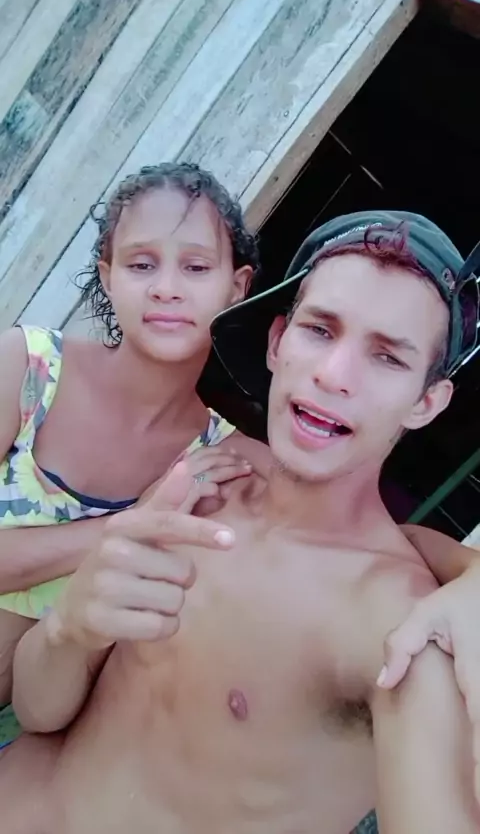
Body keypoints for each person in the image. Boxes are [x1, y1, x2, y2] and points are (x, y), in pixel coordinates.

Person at [2, 211, 480, 834]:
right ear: (278, 342)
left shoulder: (397, 623)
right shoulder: (198, 486)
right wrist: (71, 626)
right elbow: (39, 711)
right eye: (320, 330)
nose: (334, 375)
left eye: (387, 357)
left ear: (426, 402)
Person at [0, 161, 269, 713]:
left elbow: (359, 525)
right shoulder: (27, 371)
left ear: (236, 286)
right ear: (108, 277)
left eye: (196, 267)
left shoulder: (221, 458)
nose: (166, 289)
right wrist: (130, 525)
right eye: (141, 264)